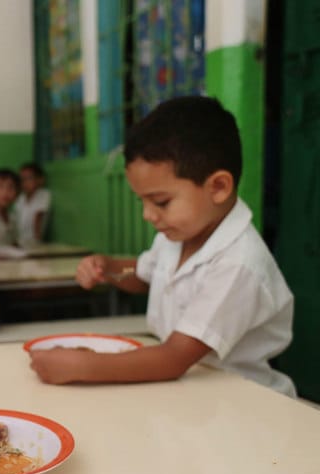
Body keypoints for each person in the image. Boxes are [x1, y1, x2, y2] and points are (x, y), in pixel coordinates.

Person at [29, 96, 296, 397]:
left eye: (160, 202)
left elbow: (174, 358)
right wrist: (109, 267)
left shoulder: (238, 263)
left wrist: (83, 366)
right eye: (141, 201)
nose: (148, 215)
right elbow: (141, 274)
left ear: (218, 187)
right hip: (185, 393)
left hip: (240, 402)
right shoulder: (176, 236)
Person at [15, 162, 51, 248]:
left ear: (40, 180)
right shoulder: (21, 198)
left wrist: (37, 241)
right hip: (19, 240)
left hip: (34, 241)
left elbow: (38, 217)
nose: (25, 182)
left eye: (29, 178)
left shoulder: (43, 194)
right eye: (22, 179)